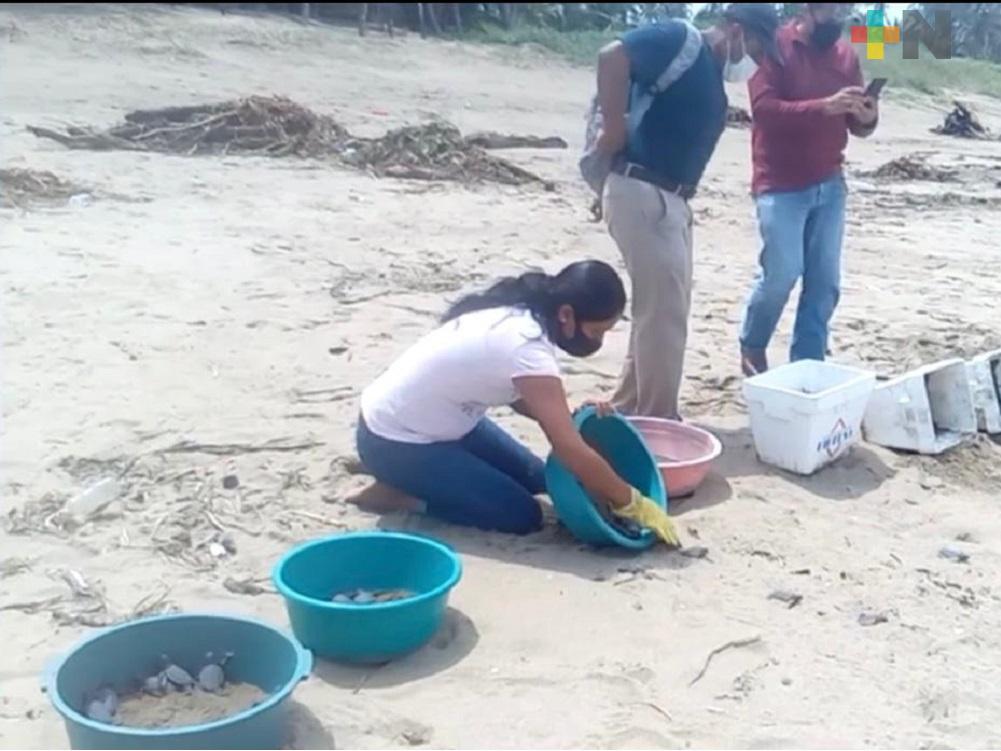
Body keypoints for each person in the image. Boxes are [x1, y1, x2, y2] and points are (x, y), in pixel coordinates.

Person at [352, 260, 679, 544]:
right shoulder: (528, 347)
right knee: (520, 515)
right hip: (395, 441)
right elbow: (567, 448)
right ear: (566, 315)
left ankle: (422, 478)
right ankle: (401, 495)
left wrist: (572, 419)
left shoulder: (522, 314)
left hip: (446, 425)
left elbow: (525, 398)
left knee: (541, 478)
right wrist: (633, 503)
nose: (597, 342)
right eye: (596, 332)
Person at [593, 4, 780, 420]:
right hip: (642, 190)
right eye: (757, 47)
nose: (759, 59)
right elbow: (612, 56)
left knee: (658, 310)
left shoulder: (710, 72)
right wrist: (613, 127)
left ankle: (628, 407)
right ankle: (659, 421)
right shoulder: (681, 40)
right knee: (663, 317)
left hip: (670, 201)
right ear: (734, 30)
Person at [739, 2, 879, 376]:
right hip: (779, 183)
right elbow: (764, 110)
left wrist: (867, 116)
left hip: (830, 182)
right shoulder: (775, 46)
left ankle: (808, 365)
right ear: (808, 8)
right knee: (781, 273)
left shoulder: (846, 55)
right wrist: (824, 107)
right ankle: (753, 345)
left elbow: (857, 125)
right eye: (831, 10)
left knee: (825, 282)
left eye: (845, 10)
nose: (838, 17)